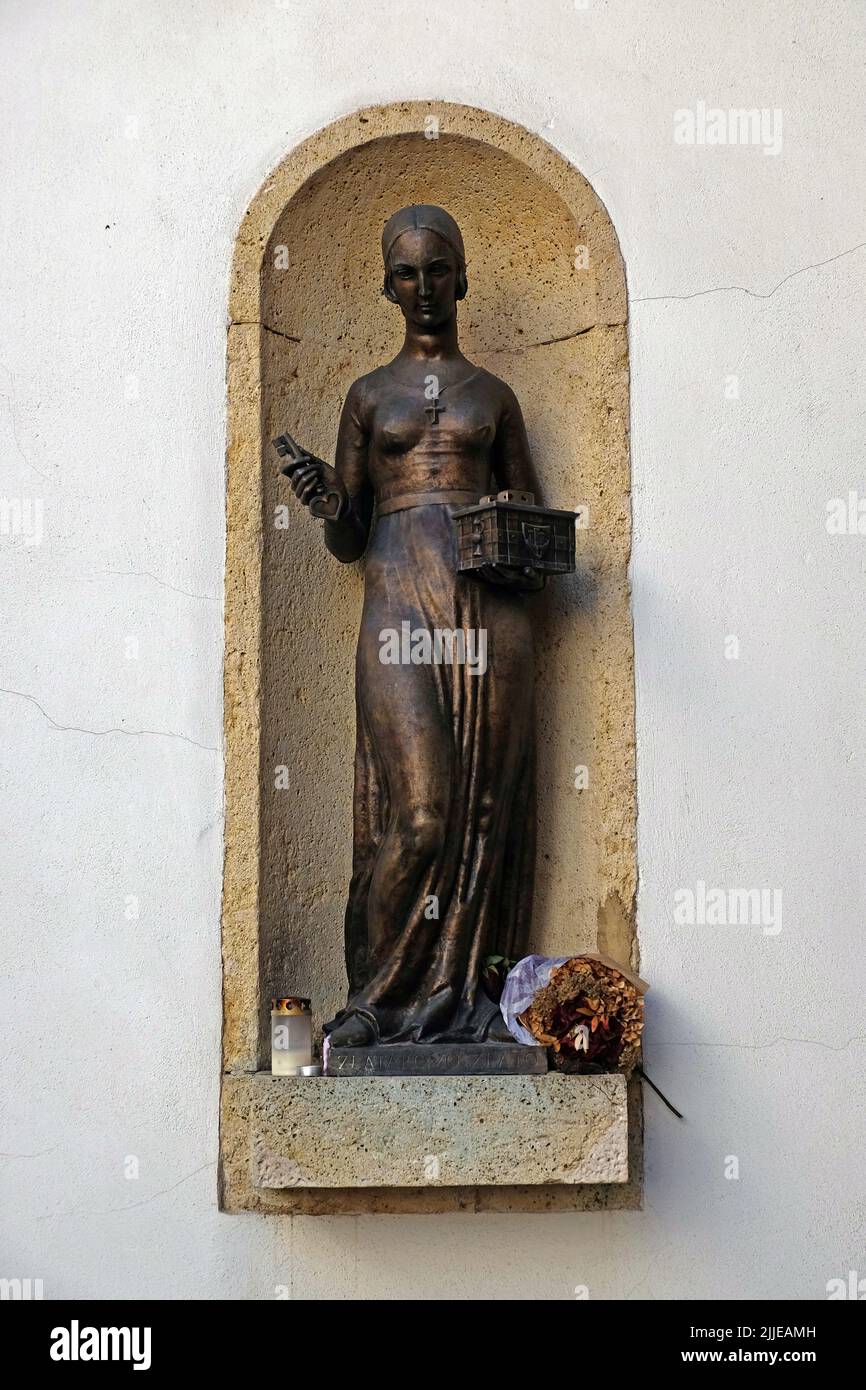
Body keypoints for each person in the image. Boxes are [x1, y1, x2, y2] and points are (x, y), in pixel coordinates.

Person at [285, 205, 543, 1046]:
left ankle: (468, 1000)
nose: (425, 286)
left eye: (439, 270)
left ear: (461, 276)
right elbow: (349, 535)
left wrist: (513, 530)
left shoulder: (495, 397)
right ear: (387, 285)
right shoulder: (367, 395)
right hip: (398, 595)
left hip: (487, 609)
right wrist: (329, 505)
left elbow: (532, 519)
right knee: (423, 811)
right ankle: (375, 999)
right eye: (408, 272)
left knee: (480, 812)